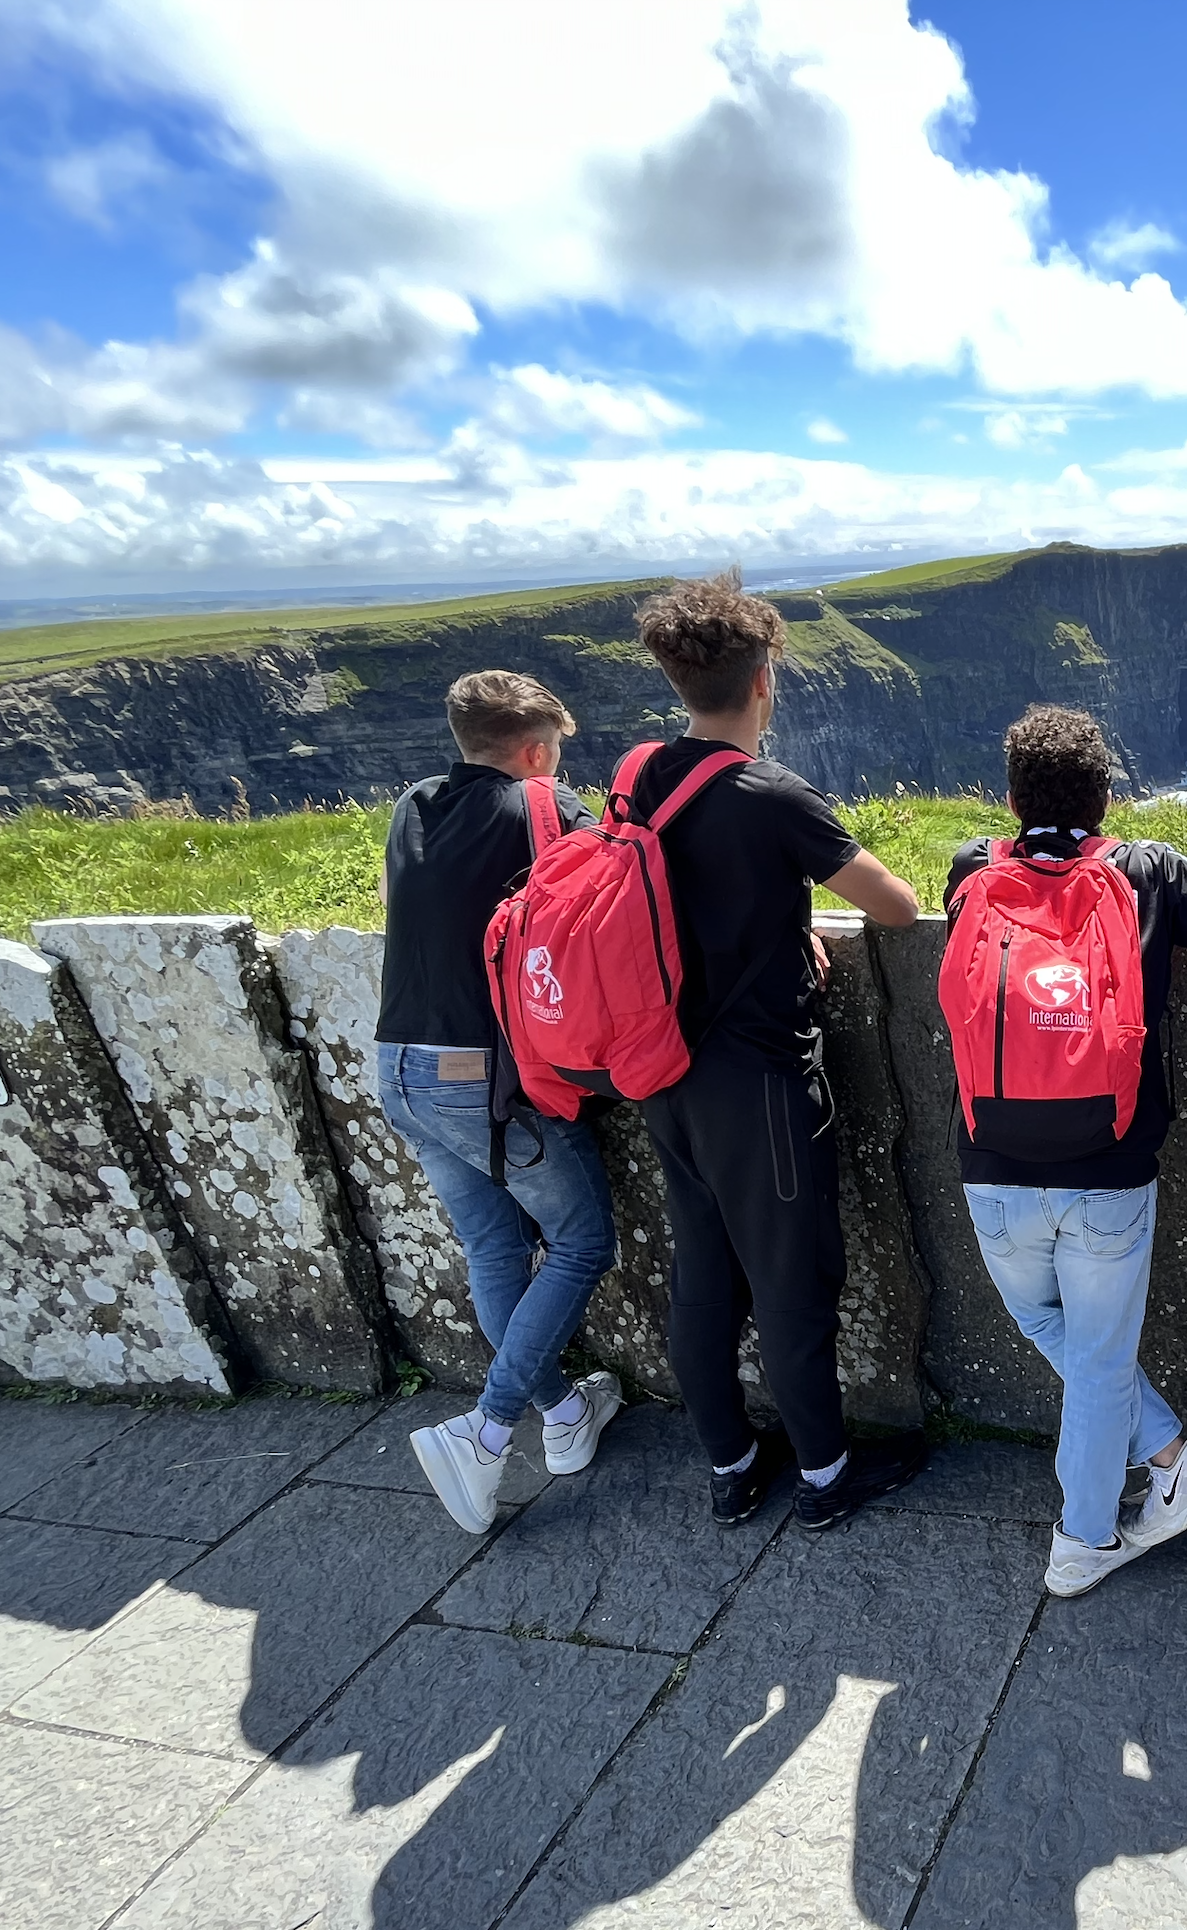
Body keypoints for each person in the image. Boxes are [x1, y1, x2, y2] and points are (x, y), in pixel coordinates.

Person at [948, 704, 1187, 1597]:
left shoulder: (970, 869)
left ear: (1012, 798)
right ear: (1106, 795)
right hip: (1108, 1169)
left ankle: (1173, 1456)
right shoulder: (1144, 870)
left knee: (1046, 1325)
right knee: (1097, 1360)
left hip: (991, 1163)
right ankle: (1086, 1539)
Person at [626, 574, 928, 1531]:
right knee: (792, 1279)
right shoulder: (770, 793)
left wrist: (774, 925)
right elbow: (899, 906)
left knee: (705, 1272)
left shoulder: (638, 774)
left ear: (680, 681)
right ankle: (828, 1477)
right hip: (754, 1079)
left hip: (663, 1067)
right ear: (765, 681)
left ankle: (731, 1463)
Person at [381, 670, 624, 1534]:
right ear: (533, 753)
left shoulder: (412, 804)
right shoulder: (545, 808)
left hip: (397, 1060)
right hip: (481, 1072)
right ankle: (485, 1433)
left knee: (493, 1248)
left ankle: (564, 1416)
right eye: (553, 752)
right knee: (583, 1240)